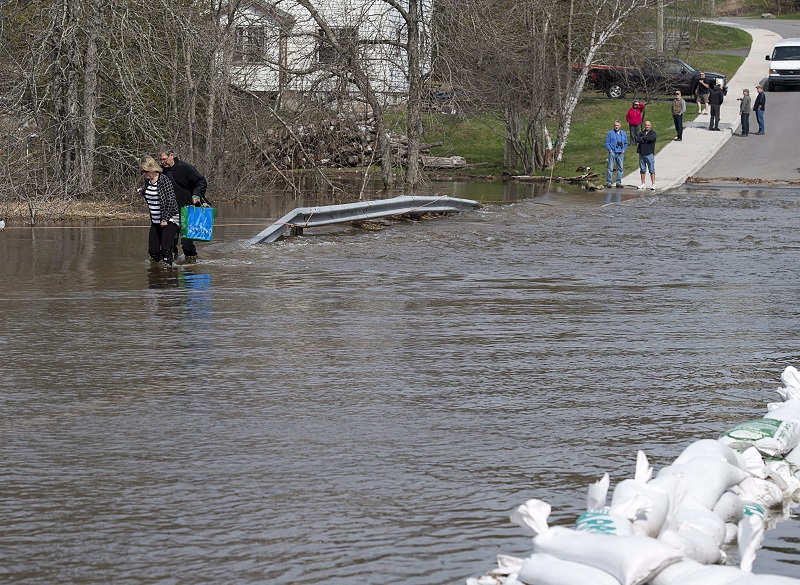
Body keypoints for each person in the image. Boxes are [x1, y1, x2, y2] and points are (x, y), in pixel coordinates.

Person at [156, 145, 208, 263]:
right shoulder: (160, 172)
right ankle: (170, 267)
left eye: (165, 159)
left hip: (187, 211)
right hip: (168, 213)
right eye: (161, 160)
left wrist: (196, 195)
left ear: (172, 156)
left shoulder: (186, 168)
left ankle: (191, 266)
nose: (162, 162)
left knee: (187, 242)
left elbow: (201, 181)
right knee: (169, 242)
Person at [140, 155, 180, 265]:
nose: (144, 174)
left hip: (170, 218)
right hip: (155, 220)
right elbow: (150, 194)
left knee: (166, 250)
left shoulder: (164, 180)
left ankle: (169, 274)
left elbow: (171, 200)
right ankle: (157, 274)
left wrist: (165, 219)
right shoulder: (147, 181)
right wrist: (143, 191)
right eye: (142, 172)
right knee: (153, 251)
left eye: (146, 171)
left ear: (152, 169)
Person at [604, 119, 628, 188]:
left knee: (620, 168)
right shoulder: (610, 133)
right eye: (615, 125)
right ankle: (609, 182)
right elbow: (607, 143)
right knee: (610, 168)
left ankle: (618, 182)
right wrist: (610, 150)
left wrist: (624, 149)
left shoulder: (623, 133)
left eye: (617, 125)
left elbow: (626, 143)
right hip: (613, 152)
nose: (616, 127)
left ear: (620, 126)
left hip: (620, 153)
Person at [636, 120, 657, 191]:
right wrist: (645, 140)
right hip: (642, 153)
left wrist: (644, 138)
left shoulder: (653, 133)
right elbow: (637, 139)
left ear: (650, 126)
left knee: (651, 169)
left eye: (648, 125)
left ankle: (653, 184)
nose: (647, 126)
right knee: (642, 169)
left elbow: (651, 139)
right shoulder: (641, 133)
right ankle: (643, 183)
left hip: (649, 153)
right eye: (646, 125)